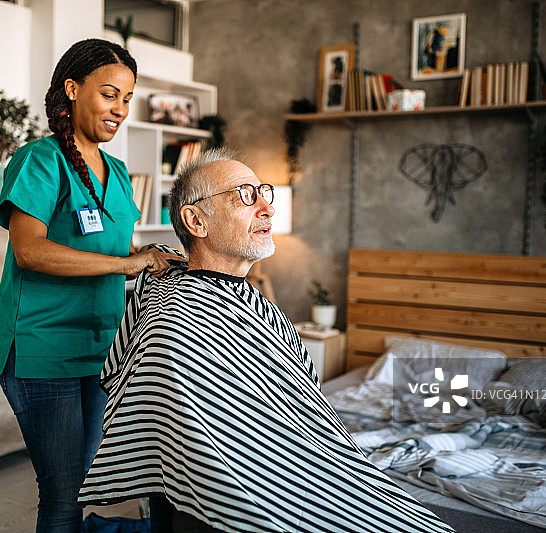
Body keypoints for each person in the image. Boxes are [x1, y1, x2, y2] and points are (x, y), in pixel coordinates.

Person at [78, 148, 453, 532]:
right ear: (196, 220)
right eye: (245, 194)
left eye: (264, 193)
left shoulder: (260, 306)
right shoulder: (176, 321)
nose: (267, 208)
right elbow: (209, 456)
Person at [0, 39, 179, 533]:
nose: (120, 108)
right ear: (72, 90)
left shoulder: (116, 172)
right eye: (110, 94)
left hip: (100, 353)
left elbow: (125, 248)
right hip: (41, 350)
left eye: (128, 98)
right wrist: (124, 264)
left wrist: (162, 263)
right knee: (64, 490)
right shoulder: (40, 160)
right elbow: (30, 250)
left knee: (85, 482)